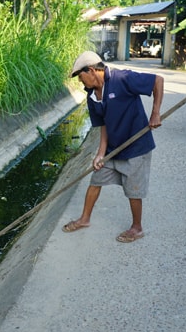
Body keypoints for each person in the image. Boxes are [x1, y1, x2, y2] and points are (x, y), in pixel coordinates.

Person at [62, 51, 163, 243]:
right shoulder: (92, 95)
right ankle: (84, 219)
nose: (80, 82)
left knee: (133, 190)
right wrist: (100, 154)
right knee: (96, 180)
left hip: (136, 146)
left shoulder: (122, 78)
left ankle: (137, 227)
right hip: (113, 149)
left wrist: (155, 113)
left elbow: (158, 80)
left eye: (81, 77)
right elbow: (103, 126)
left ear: (91, 70)